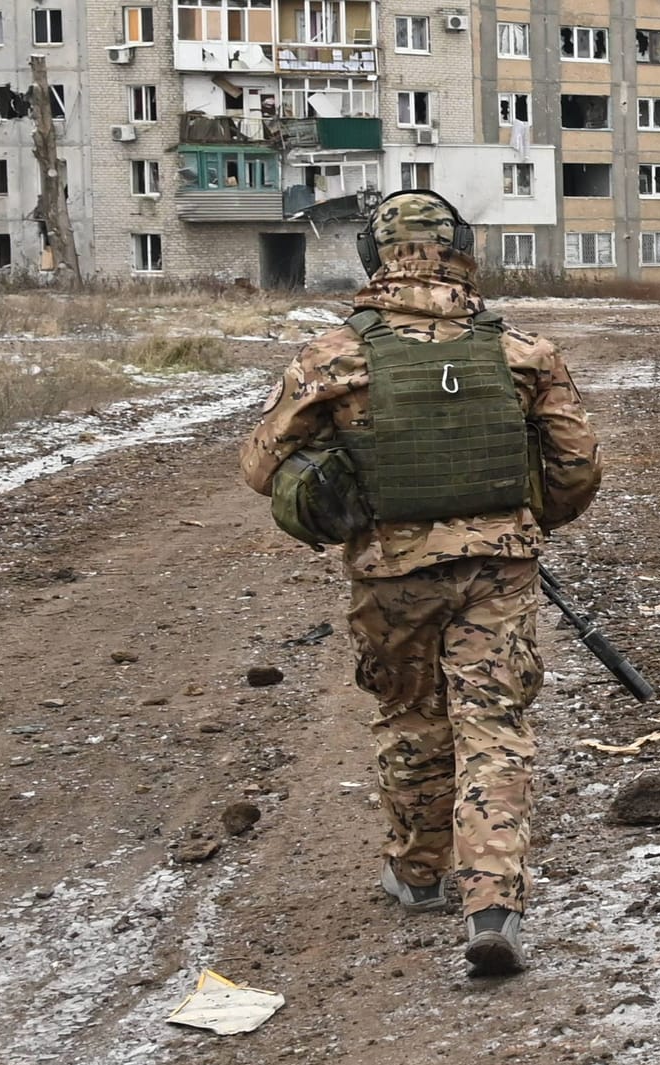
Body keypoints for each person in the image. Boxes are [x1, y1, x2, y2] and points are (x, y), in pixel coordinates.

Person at [239, 190, 600, 975]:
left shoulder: (332, 357)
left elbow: (260, 466)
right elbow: (577, 472)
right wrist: (521, 513)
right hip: (497, 568)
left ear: (373, 258)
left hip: (390, 573)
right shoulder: (524, 352)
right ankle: (493, 905)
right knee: (493, 726)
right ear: (464, 249)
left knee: (411, 716)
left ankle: (416, 875)